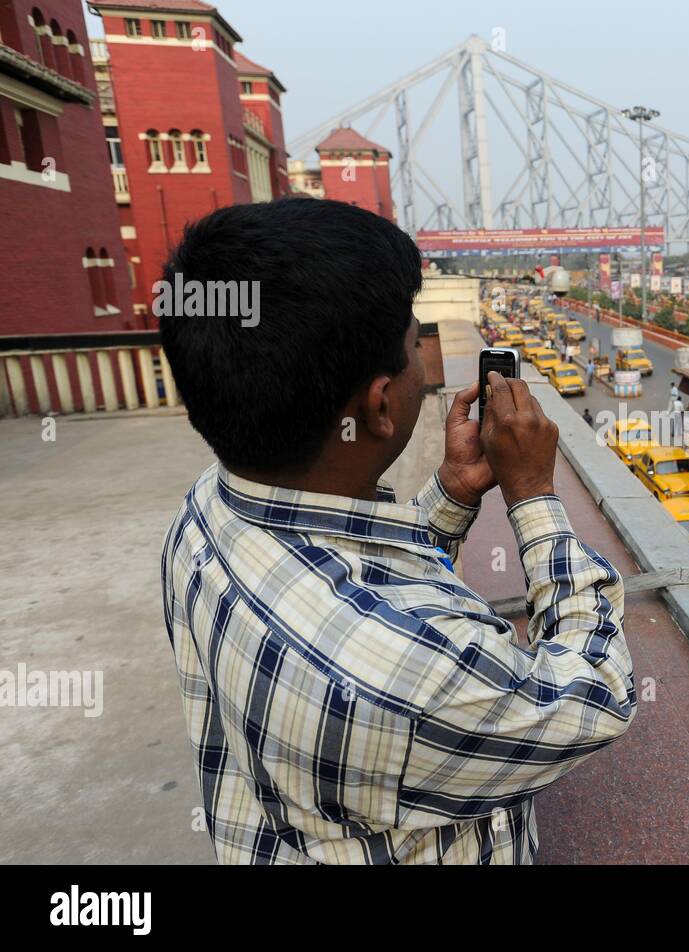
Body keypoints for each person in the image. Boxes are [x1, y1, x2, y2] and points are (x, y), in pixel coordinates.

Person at [156, 199, 635, 864]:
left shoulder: (205, 516)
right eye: (416, 343)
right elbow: (596, 694)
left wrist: (453, 495)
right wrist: (534, 496)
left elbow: (360, 588)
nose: (423, 358)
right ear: (380, 405)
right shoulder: (406, 677)